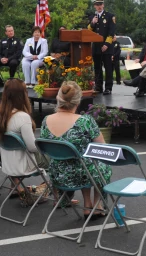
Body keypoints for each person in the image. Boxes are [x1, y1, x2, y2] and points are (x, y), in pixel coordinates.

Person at [40, 81, 112, 217]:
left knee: (83, 161)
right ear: (78, 101)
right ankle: (96, 205)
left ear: (58, 98)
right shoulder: (85, 121)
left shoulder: (45, 120)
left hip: (57, 175)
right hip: (82, 174)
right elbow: (102, 147)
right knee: (100, 163)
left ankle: (87, 203)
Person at [0, 79, 42, 199]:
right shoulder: (22, 117)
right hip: (24, 165)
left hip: (8, 164)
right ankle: (59, 197)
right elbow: (32, 147)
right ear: (22, 95)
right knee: (54, 157)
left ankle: (14, 187)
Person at [88, 0, 116, 95]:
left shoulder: (109, 16)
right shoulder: (92, 17)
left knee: (108, 68)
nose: (99, 6)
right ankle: (98, 86)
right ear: (94, 6)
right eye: (97, 5)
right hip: (96, 47)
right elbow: (88, 31)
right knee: (97, 68)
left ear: (103, 5)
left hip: (106, 47)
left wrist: (107, 44)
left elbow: (111, 32)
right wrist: (92, 23)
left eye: (100, 4)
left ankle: (108, 88)